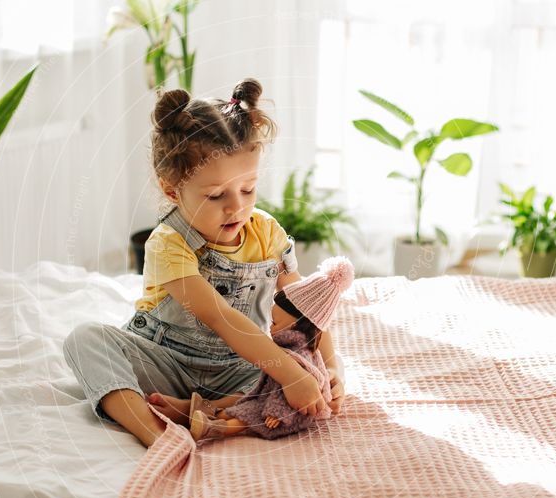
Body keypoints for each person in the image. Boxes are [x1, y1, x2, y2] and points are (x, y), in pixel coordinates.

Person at [62, 78, 346, 448]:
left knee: (302, 367)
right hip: (168, 363)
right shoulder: (168, 243)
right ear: (171, 190)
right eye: (215, 195)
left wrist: (329, 367)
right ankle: (154, 431)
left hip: (243, 368)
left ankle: (206, 414)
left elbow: (305, 312)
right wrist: (291, 375)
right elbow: (219, 318)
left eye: (248, 189)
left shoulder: (267, 234)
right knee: (84, 340)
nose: (236, 207)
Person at [189, 256, 354, 441]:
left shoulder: (299, 358)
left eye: (275, 322)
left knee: (247, 417)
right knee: (243, 405)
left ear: (295, 326)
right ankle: (208, 411)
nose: (270, 327)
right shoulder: (284, 347)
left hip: (282, 409)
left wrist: (276, 412)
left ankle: (213, 427)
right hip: (265, 394)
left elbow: (287, 392)